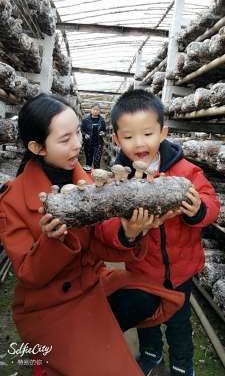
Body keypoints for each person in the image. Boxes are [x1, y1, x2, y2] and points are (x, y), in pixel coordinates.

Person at [0, 93, 184, 376]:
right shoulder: (12, 200)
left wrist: (129, 234)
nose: (78, 143)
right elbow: (29, 274)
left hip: (92, 283)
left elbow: (101, 241)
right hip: (50, 303)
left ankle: (89, 340)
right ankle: (59, 352)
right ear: (37, 147)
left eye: (77, 132)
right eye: (65, 139)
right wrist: (52, 241)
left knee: (147, 297)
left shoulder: (86, 179)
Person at [108, 88, 220, 376]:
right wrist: (127, 232)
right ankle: (151, 353)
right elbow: (108, 226)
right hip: (143, 269)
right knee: (148, 319)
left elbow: (211, 203)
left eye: (147, 133)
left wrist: (198, 210)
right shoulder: (118, 179)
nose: (139, 143)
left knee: (179, 323)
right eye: (129, 137)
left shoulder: (186, 171)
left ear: (163, 132)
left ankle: (182, 366)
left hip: (181, 271)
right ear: (116, 140)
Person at [81, 103, 106, 170]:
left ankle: (97, 176)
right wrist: (85, 134)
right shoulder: (85, 120)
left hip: (98, 144)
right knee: (88, 161)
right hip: (88, 144)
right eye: (94, 109)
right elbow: (82, 130)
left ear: (99, 111)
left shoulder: (102, 121)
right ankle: (88, 177)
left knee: (96, 161)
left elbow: (104, 131)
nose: (95, 111)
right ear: (91, 110)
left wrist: (103, 133)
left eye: (97, 110)